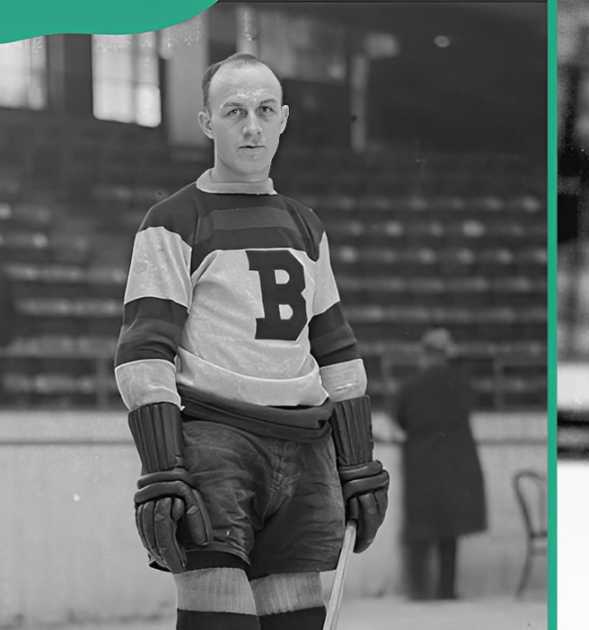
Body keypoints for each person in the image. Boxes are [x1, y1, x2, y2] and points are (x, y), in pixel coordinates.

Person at [114, 52, 388, 630]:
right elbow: (144, 349)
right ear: (207, 122)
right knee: (219, 613)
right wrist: (163, 466)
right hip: (216, 439)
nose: (252, 126)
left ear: (284, 119)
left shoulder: (306, 225)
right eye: (234, 111)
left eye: (265, 110)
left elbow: (336, 349)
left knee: (297, 617)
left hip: (305, 442)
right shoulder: (173, 220)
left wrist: (357, 459)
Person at [392, 328, 487, 600]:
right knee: (449, 531)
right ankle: (446, 589)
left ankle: (419, 591)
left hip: (421, 464)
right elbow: (471, 402)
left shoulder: (412, 386)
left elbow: (399, 417)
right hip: (454, 465)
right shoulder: (459, 383)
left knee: (419, 529)